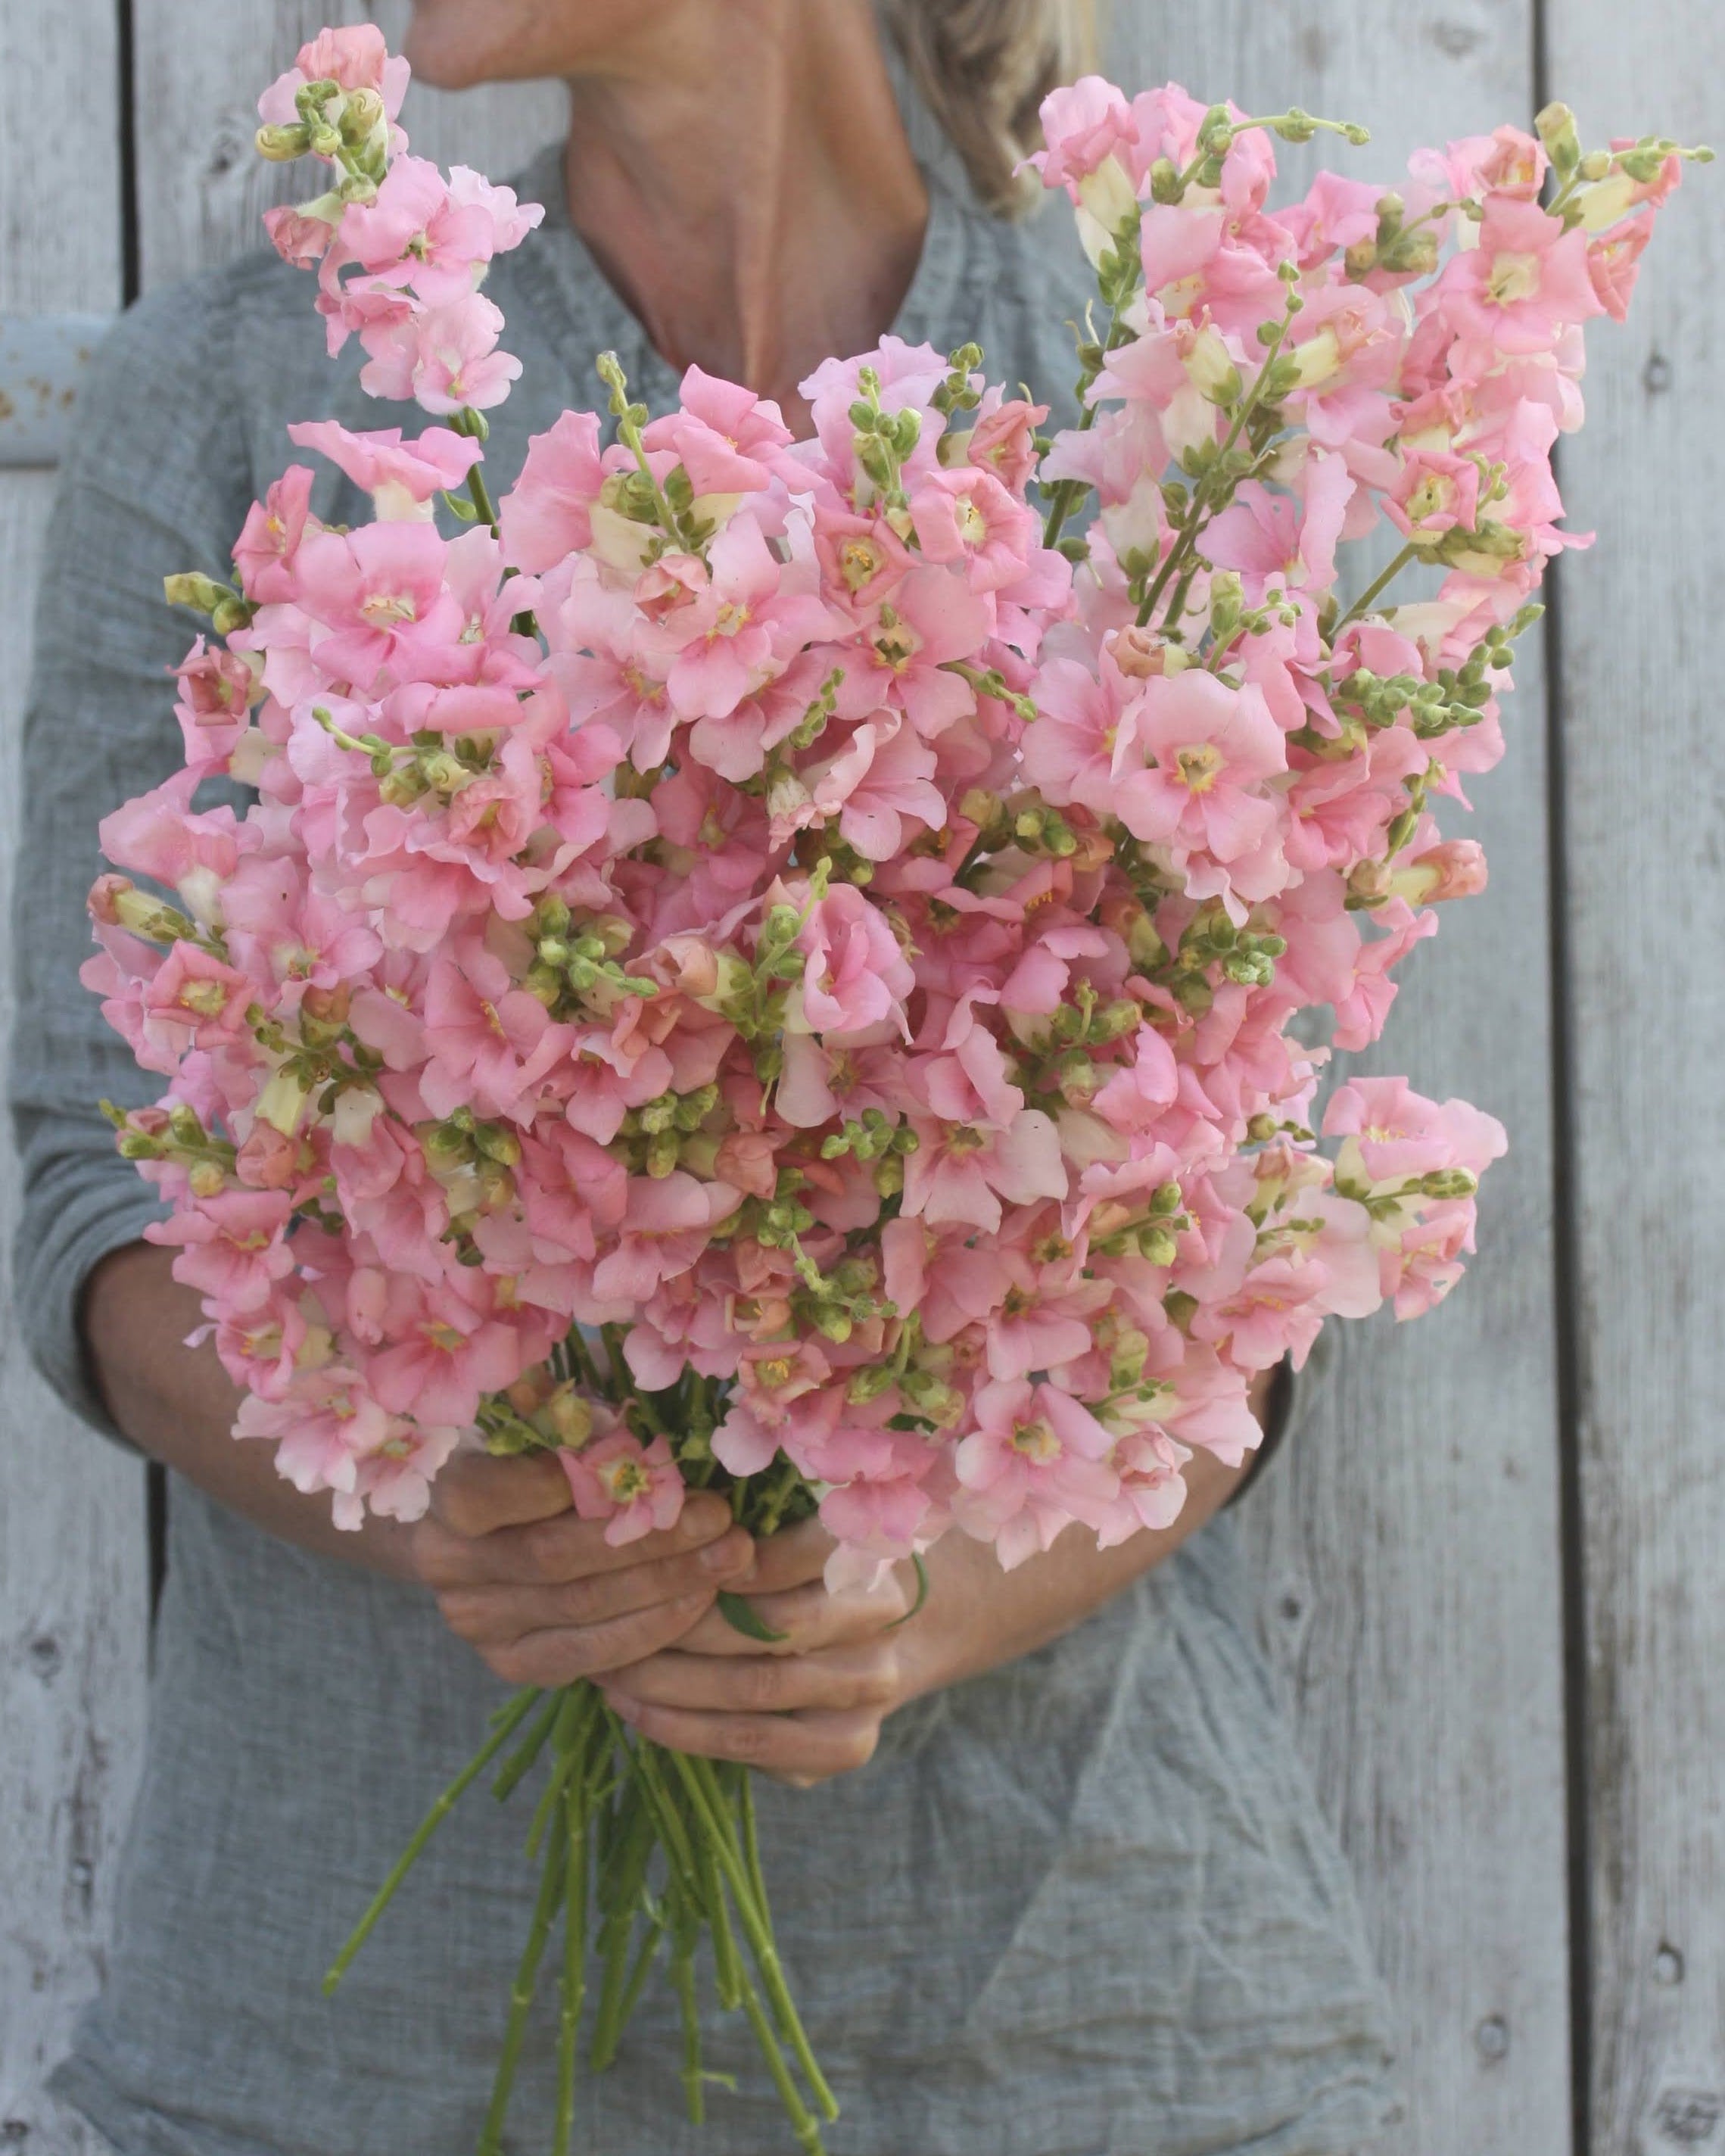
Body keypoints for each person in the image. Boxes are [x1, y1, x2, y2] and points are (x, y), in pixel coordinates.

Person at [12, 2, 1399, 2150]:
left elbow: (1267, 1228)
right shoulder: (234, 393)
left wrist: (924, 1594)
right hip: (373, 2042)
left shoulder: (1169, 378)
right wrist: (440, 1495)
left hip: (1066, 2020)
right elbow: (82, 1176)